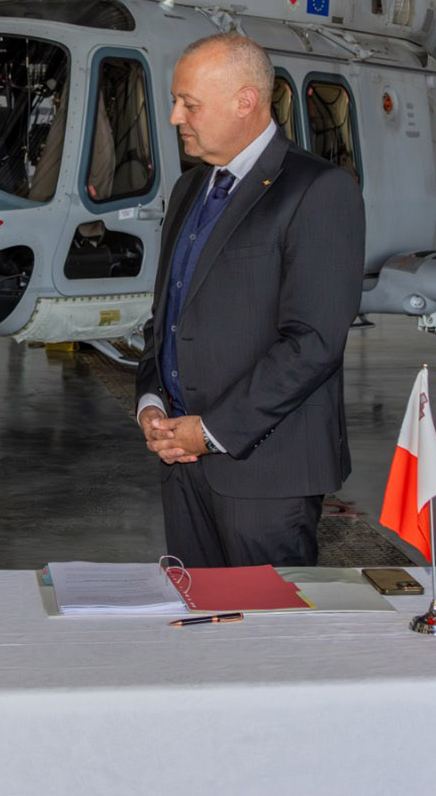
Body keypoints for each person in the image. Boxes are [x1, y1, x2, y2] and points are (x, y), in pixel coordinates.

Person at [135, 33, 365, 567]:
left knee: (268, 618)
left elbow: (313, 342)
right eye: (175, 101)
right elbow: (167, 318)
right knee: (199, 611)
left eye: (190, 104)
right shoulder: (189, 190)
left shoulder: (317, 190)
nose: (174, 117)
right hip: (181, 462)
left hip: (267, 474)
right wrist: (152, 403)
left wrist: (210, 431)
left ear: (245, 101)